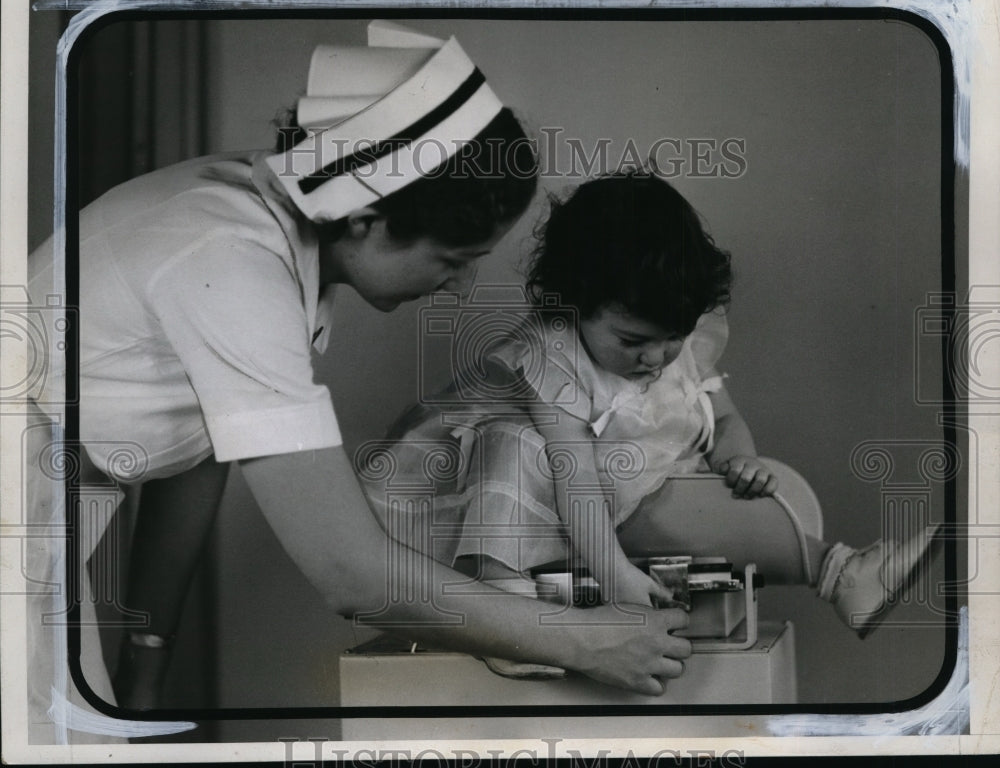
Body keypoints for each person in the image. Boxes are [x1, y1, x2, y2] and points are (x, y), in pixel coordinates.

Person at [24, 22, 691, 744]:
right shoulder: (232, 259)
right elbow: (350, 571)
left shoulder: (271, 218)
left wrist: (147, 661)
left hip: (52, 537)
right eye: (454, 257)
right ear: (368, 219)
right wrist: (580, 641)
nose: (463, 284)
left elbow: (200, 449)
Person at [362, 169, 940, 646]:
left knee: (724, 504)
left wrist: (739, 458)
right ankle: (510, 607)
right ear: (575, 303)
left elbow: (725, 420)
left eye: (672, 336)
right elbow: (575, 475)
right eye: (633, 341)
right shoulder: (552, 352)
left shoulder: (674, 343)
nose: (656, 357)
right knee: (520, 447)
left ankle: (842, 573)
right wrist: (611, 571)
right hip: (515, 494)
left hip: (612, 504)